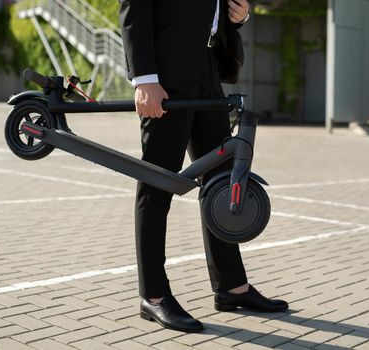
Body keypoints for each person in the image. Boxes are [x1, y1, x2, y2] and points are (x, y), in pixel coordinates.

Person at [119, 0, 288, 333]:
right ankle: (153, 296)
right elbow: (134, 9)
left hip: (207, 71)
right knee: (158, 184)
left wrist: (238, 17)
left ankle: (231, 287)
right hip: (165, 79)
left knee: (221, 182)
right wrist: (144, 79)